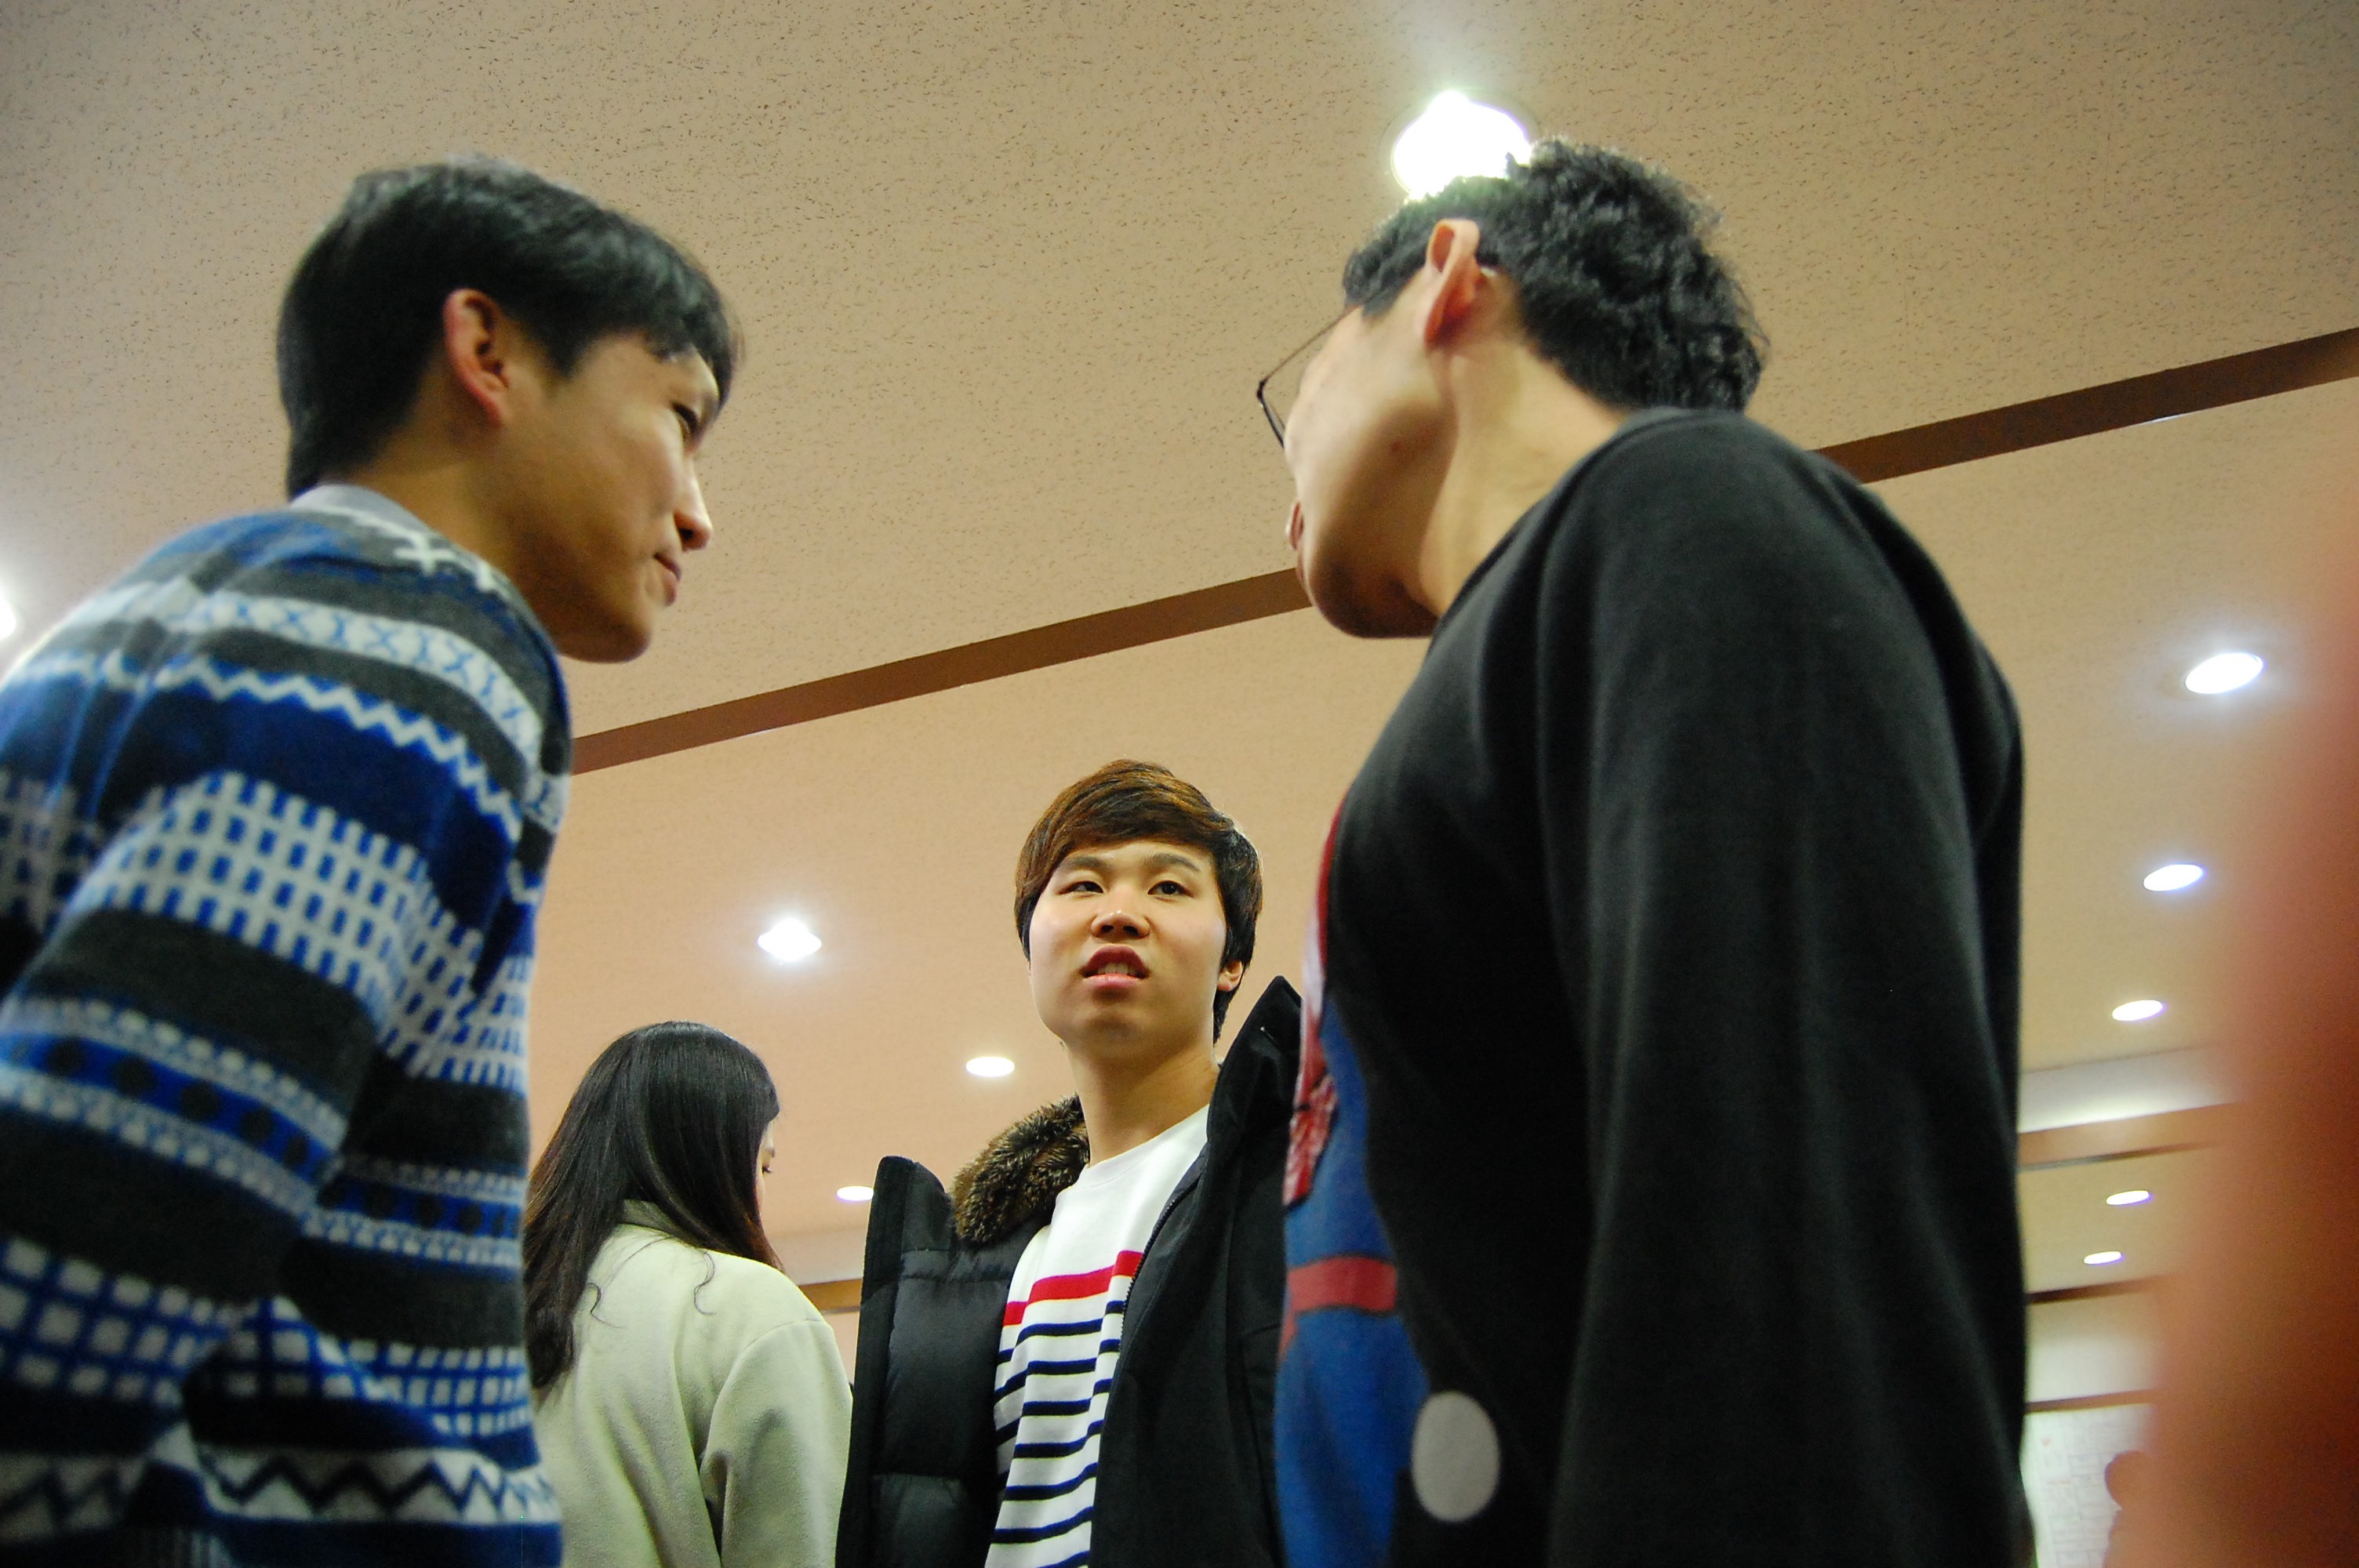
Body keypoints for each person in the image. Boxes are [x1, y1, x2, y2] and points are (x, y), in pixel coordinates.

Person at [1263, 140, 2026, 1564]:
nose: (1284, 489)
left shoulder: (1689, 514)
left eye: (1289, 398)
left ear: (1445, 280)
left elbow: (1790, 1306)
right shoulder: (1543, 634)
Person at [0, 157, 733, 1564]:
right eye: (679, 418)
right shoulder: (422, 640)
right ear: (487, 350)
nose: (698, 511)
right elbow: (114, 1193)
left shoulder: (159, 617)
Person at [835, 760, 1300, 1568]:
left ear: (1233, 960)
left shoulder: (1295, 1176)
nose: (1118, 913)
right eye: (1082, 884)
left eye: (1168, 887)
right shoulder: (978, 1251)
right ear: (1030, 947)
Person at [525, 1022, 850, 1568]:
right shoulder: (748, 1306)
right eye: (763, 1165)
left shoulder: (490, 1306)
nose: (762, 1187)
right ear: (712, 1163)